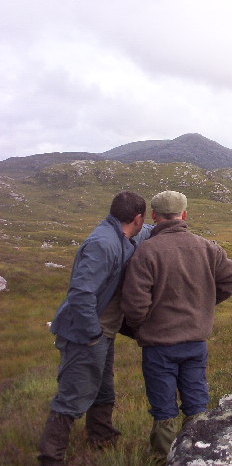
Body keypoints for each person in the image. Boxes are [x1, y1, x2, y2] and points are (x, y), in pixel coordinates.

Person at [120, 190, 232, 460]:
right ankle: (196, 456)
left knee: (164, 409)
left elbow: (134, 304)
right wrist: (204, 306)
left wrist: (141, 326)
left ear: (154, 216)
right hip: (195, 343)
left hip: (158, 346)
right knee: (197, 404)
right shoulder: (207, 247)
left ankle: (163, 458)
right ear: (184, 215)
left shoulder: (146, 251)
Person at [38, 191, 153, 466]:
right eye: (143, 220)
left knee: (103, 389)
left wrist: (170, 223)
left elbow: (148, 231)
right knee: (74, 395)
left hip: (104, 331)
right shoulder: (103, 244)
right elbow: (81, 293)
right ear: (136, 217)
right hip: (85, 333)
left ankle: (102, 436)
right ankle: (50, 457)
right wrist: (92, 335)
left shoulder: (123, 234)